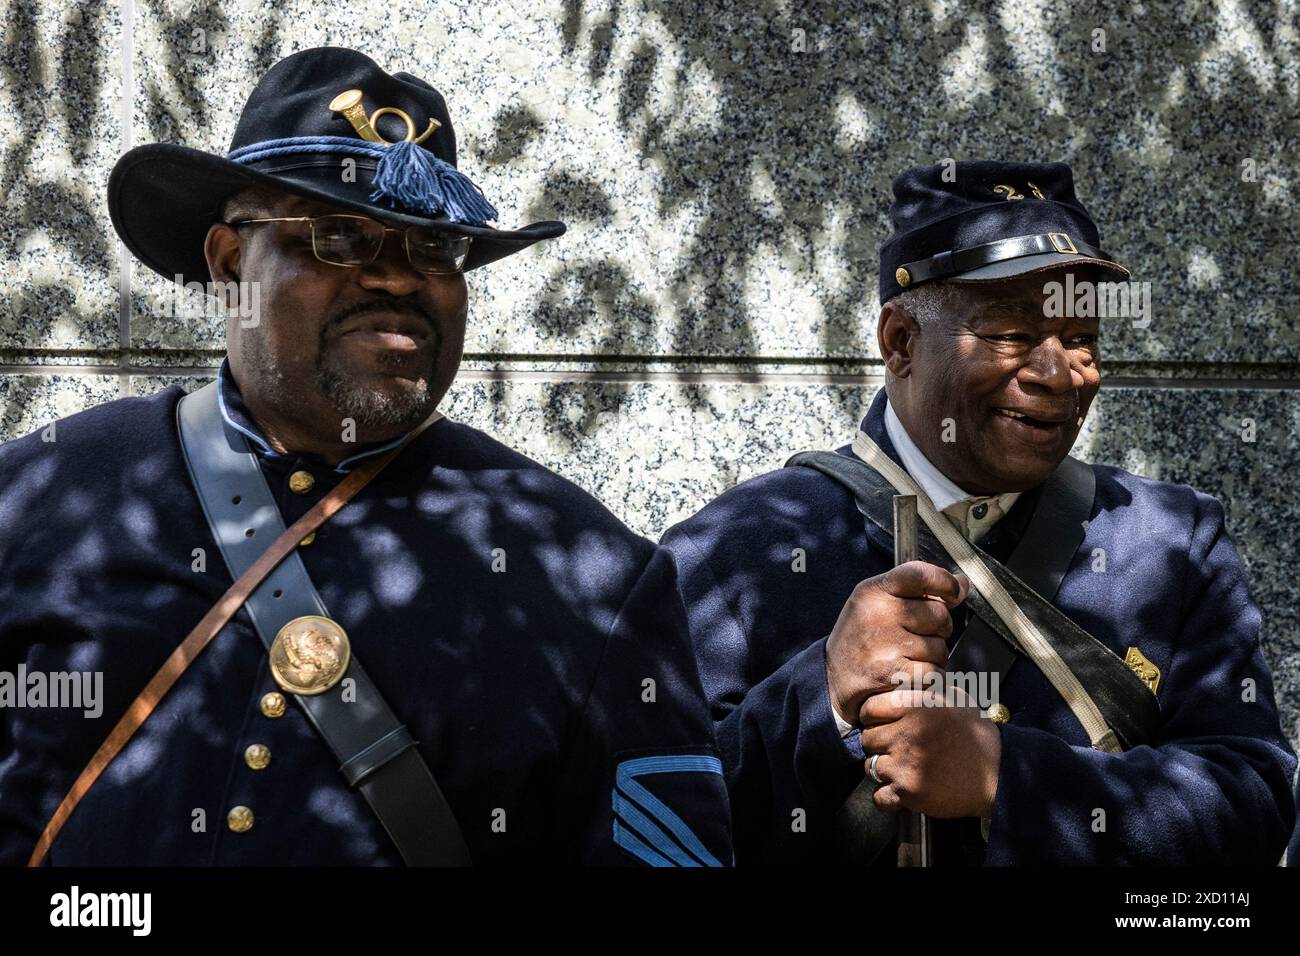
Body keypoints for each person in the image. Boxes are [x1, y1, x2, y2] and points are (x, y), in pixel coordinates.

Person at [0, 46, 731, 867]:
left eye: (434, 247)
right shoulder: (39, 497)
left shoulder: (591, 577)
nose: (396, 279)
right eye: (341, 236)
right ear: (231, 263)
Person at [662, 160, 1296, 865]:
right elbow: (654, 815)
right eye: (1012, 334)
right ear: (901, 342)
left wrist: (1004, 777)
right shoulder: (734, 550)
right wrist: (824, 694)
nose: (1060, 374)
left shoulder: (1173, 541)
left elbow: (1255, 801)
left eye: (1082, 337)